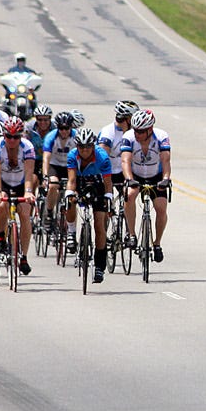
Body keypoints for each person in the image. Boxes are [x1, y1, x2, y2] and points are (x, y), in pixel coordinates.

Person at [0, 118, 37, 275]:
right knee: (0, 205)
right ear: (3, 135)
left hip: (20, 182)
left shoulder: (27, 147)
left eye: (16, 137)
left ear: (21, 137)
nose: (12, 140)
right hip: (4, 182)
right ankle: (0, 234)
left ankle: (24, 257)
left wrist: (28, 191)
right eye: (9, 136)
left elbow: (28, 172)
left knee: (25, 214)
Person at [121, 109, 172, 262]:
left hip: (156, 176)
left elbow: (166, 160)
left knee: (161, 208)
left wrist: (166, 179)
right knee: (130, 196)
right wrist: (129, 179)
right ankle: (131, 234)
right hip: (135, 175)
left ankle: (157, 243)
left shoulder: (161, 137)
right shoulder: (128, 137)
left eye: (141, 131)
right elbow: (125, 161)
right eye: (136, 130)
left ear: (150, 130)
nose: (137, 134)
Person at [66, 127, 115, 283]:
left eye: (88, 147)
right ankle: (71, 233)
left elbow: (108, 183)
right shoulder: (72, 156)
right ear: (77, 147)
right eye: (81, 147)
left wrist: (108, 197)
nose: (85, 150)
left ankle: (100, 267)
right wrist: (69, 193)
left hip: (98, 184)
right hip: (80, 182)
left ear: (93, 146)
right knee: (70, 201)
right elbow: (72, 181)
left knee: (99, 226)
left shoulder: (102, 157)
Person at [42, 111, 77, 237]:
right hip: (55, 165)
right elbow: (46, 157)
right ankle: (49, 213)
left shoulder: (76, 137)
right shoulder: (51, 137)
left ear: (71, 127)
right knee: (53, 186)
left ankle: (71, 228)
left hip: (70, 166)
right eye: (61, 128)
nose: (64, 131)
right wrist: (45, 176)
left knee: (72, 195)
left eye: (66, 128)